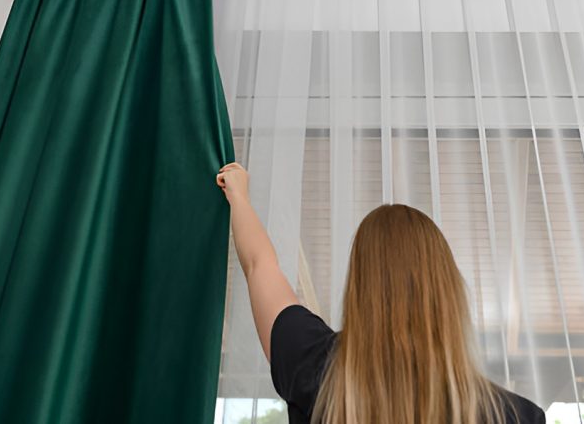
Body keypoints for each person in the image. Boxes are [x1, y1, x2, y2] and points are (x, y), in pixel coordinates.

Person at [216, 162, 546, 424]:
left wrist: (239, 196)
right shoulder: (517, 416)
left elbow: (260, 265)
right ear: (448, 289)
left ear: (359, 288)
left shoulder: (313, 364)